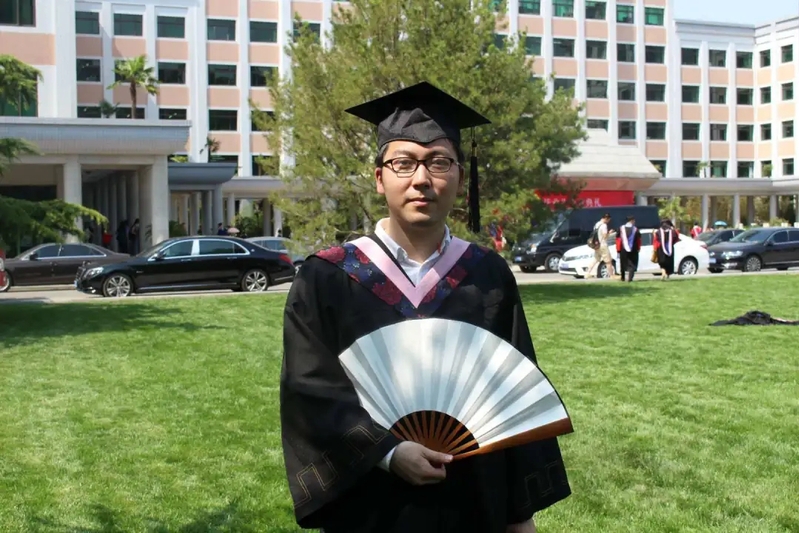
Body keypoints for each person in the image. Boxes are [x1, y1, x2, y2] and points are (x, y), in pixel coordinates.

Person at [279, 82, 571, 533]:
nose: (421, 179)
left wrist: (521, 517)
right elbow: (310, 392)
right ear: (379, 178)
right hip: (371, 507)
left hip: (475, 504)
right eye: (403, 163)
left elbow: (513, 396)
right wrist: (388, 452)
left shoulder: (487, 275)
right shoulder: (328, 278)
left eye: (439, 162)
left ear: (460, 177)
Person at [586, 213, 615, 278]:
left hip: (597, 245)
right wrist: (609, 233)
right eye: (609, 220)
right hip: (603, 245)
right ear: (606, 219)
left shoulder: (597, 224)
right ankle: (612, 275)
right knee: (608, 261)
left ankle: (587, 273)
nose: (608, 221)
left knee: (595, 259)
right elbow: (605, 236)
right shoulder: (604, 225)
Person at [616, 215, 641, 282]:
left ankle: (623, 278)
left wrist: (618, 249)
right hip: (633, 249)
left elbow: (618, 239)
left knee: (623, 262)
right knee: (632, 263)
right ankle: (630, 278)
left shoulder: (621, 228)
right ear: (632, 220)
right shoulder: (635, 229)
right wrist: (638, 248)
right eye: (634, 220)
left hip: (623, 249)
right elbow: (638, 240)